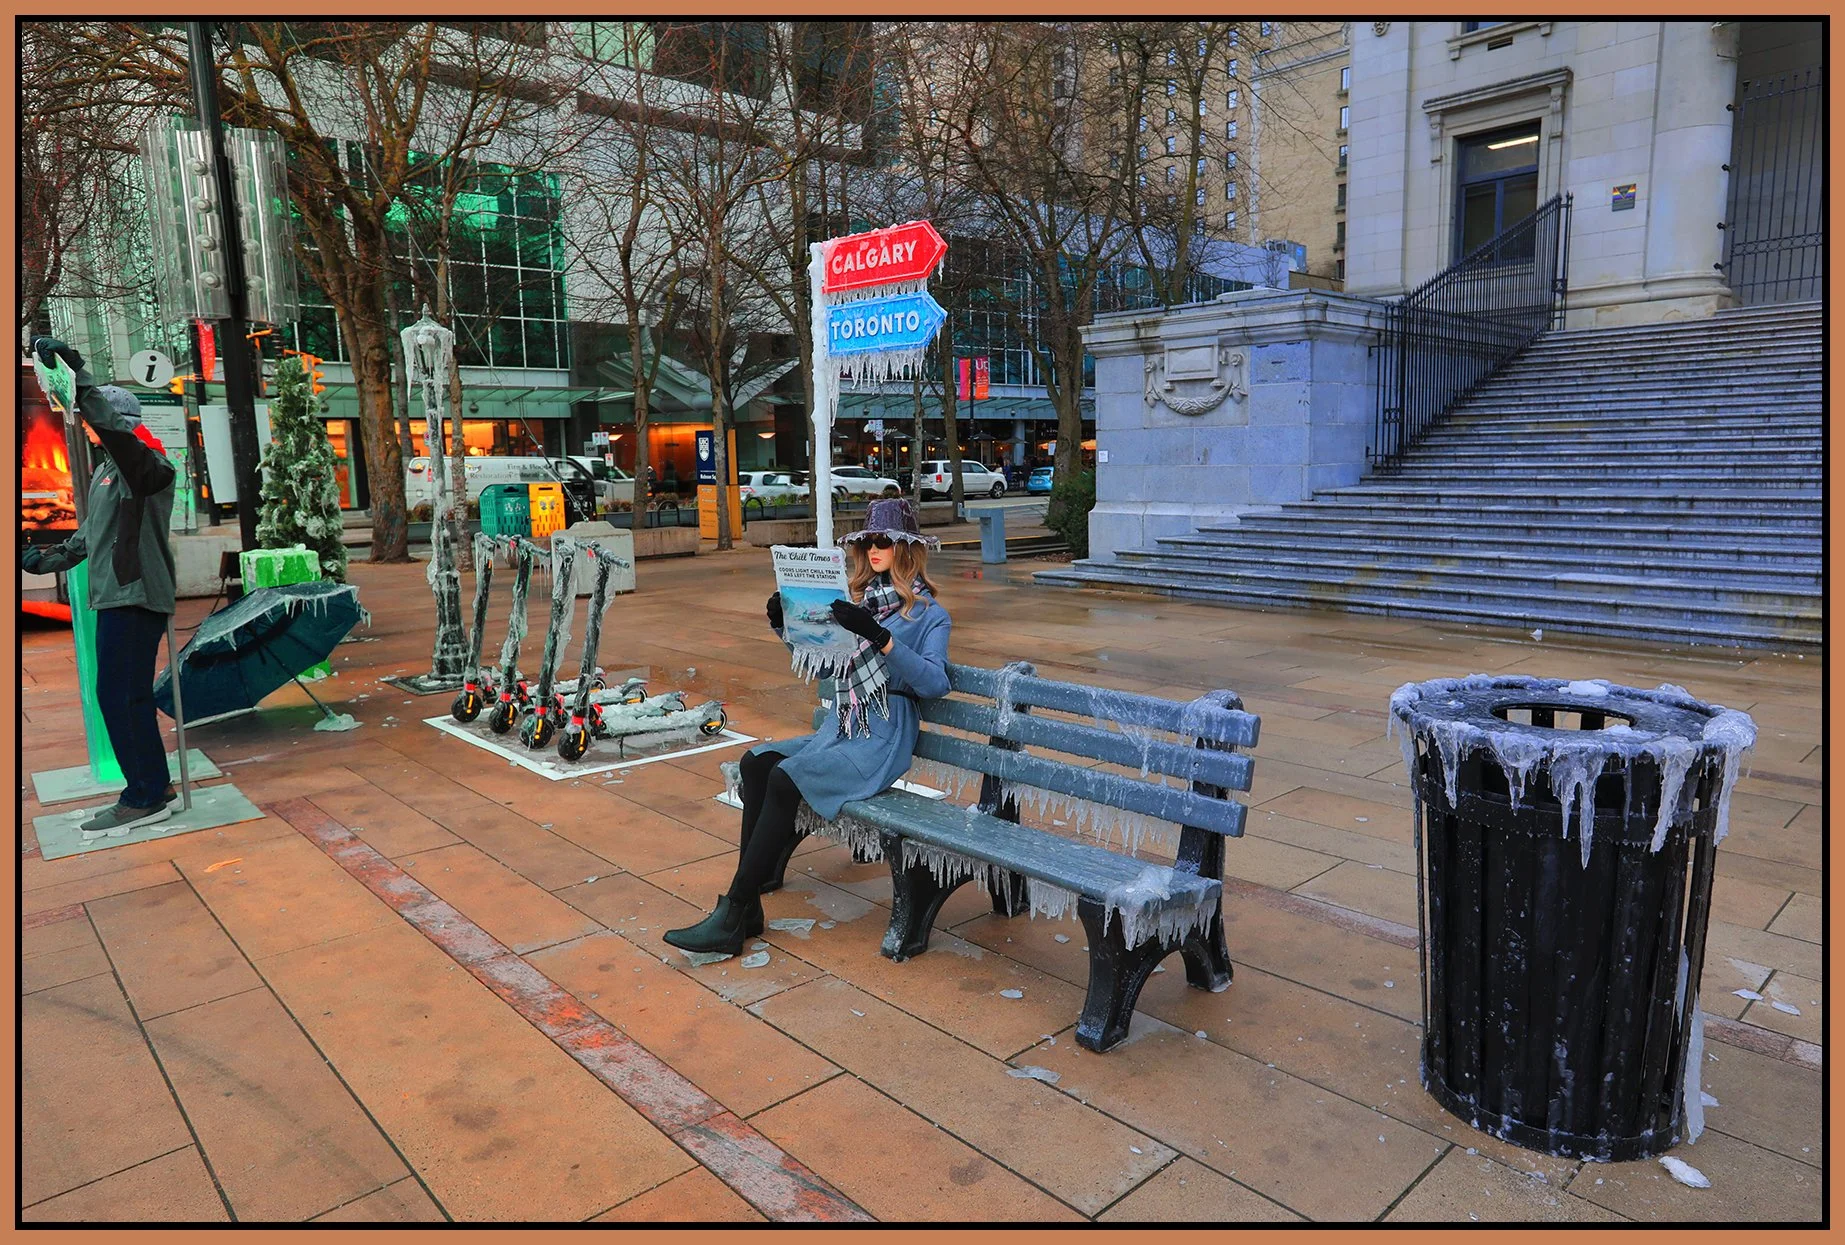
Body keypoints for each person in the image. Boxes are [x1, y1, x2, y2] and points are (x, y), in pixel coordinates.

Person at [665, 498, 951, 956]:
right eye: (868, 541)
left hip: (882, 736)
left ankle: (735, 909)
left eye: (885, 541)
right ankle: (749, 907)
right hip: (843, 726)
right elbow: (828, 669)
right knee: (755, 762)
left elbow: (936, 683)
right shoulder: (859, 603)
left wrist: (882, 638)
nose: (873, 549)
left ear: (907, 550)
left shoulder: (928, 615)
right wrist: (788, 626)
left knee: (786, 777)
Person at [24, 338, 179, 836]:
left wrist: (80, 378)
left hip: (137, 596)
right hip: (115, 595)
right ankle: (154, 786)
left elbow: (115, 434)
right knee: (122, 695)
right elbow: (88, 538)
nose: (89, 430)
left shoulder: (148, 467)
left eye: (94, 422)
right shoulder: (109, 474)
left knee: (118, 695)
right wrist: (37, 560)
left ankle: (144, 794)